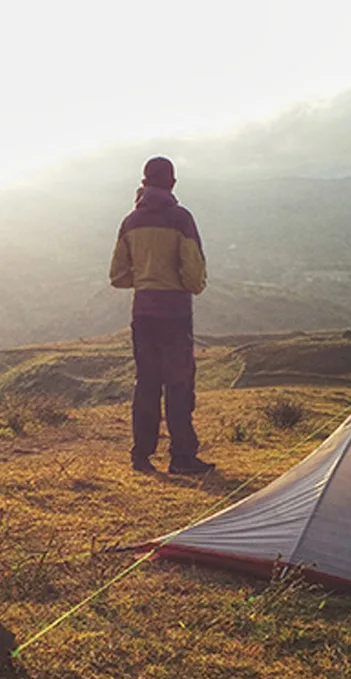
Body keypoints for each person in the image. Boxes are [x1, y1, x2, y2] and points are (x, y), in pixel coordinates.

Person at [109, 156, 214, 475]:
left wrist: (144, 280)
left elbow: (117, 276)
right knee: (179, 385)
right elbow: (194, 276)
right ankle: (181, 457)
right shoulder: (181, 219)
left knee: (147, 383)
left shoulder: (129, 222)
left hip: (143, 313)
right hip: (175, 314)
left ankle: (141, 456)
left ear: (144, 184)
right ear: (172, 183)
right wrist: (179, 284)